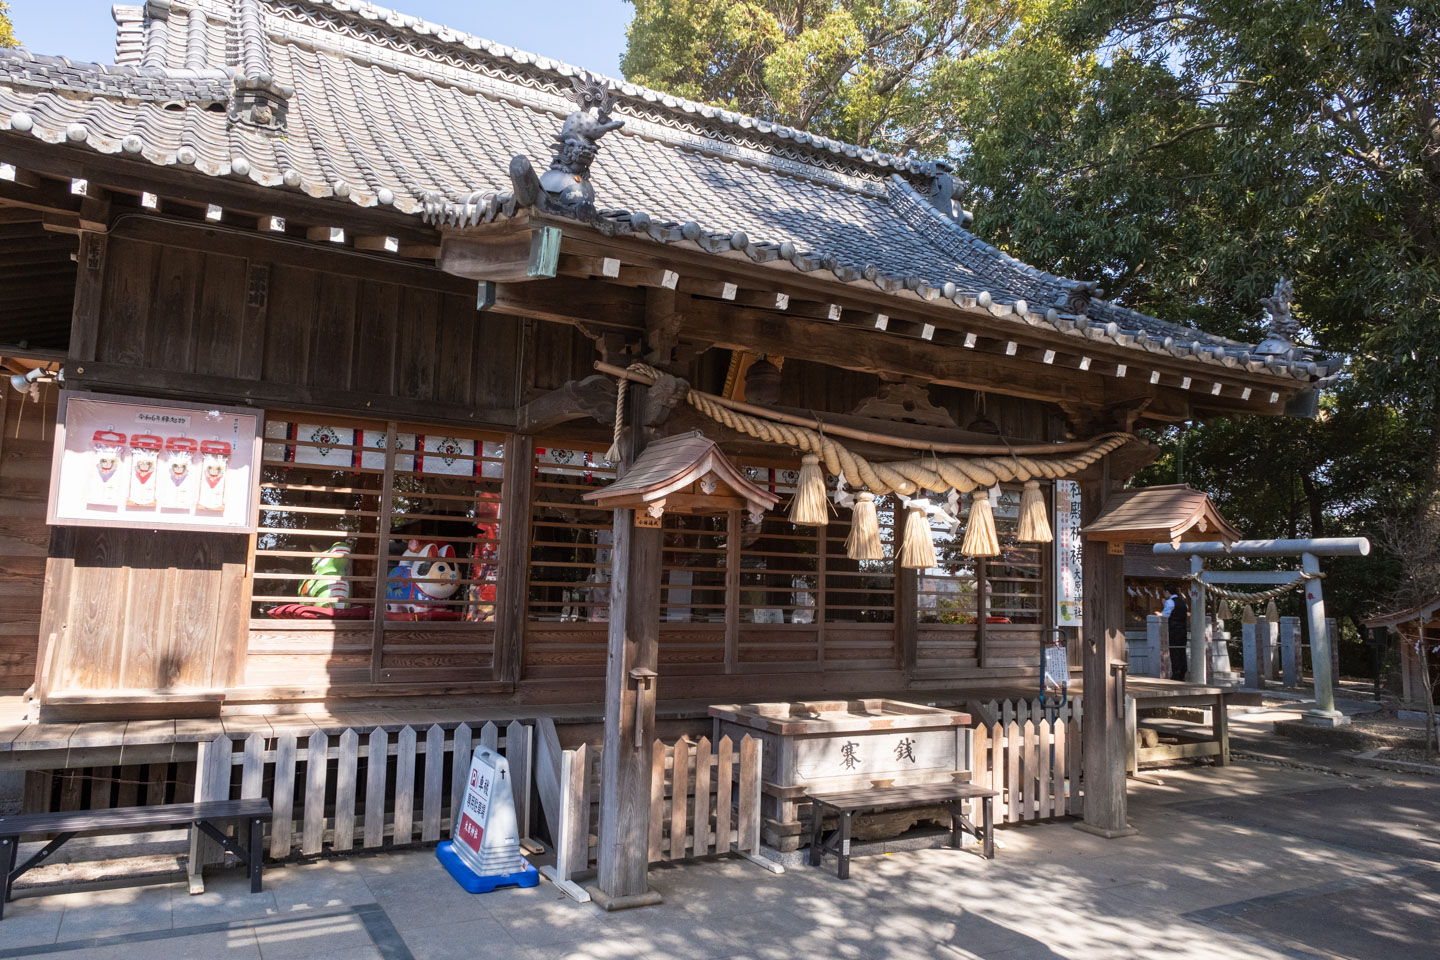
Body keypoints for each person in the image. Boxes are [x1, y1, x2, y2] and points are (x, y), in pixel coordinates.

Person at [1160, 583, 1190, 680]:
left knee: (1174, 651)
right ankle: (1183, 672)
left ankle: (1176, 672)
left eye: (1164, 592)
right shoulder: (1183, 602)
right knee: (1182, 651)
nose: (1164, 594)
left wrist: (1164, 605)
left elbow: (1164, 616)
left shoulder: (1169, 602)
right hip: (1183, 630)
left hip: (1173, 630)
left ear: (1167, 592)